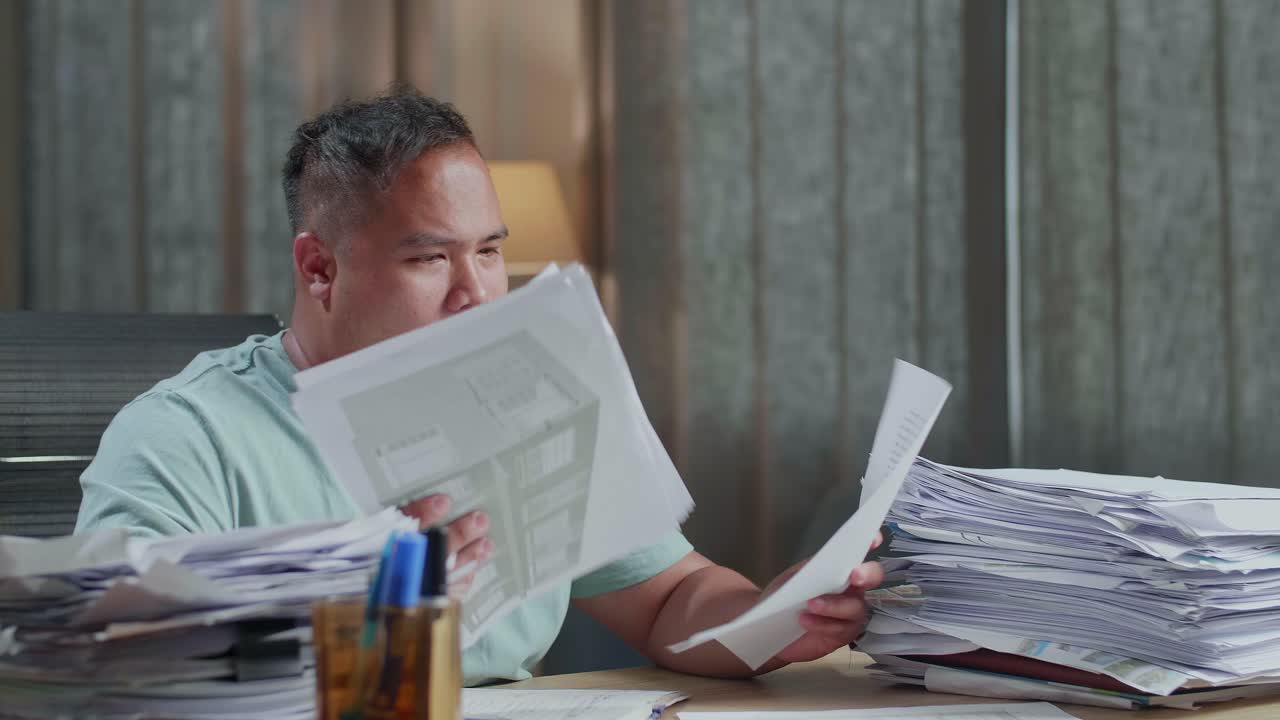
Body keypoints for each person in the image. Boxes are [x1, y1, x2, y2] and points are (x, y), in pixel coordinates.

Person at [76, 90, 884, 684]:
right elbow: (114, 670)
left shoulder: (528, 400)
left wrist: (775, 620)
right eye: (431, 259)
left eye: (490, 253)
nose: (477, 294)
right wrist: (353, 607)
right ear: (319, 269)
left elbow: (671, 598)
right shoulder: (185, 436)